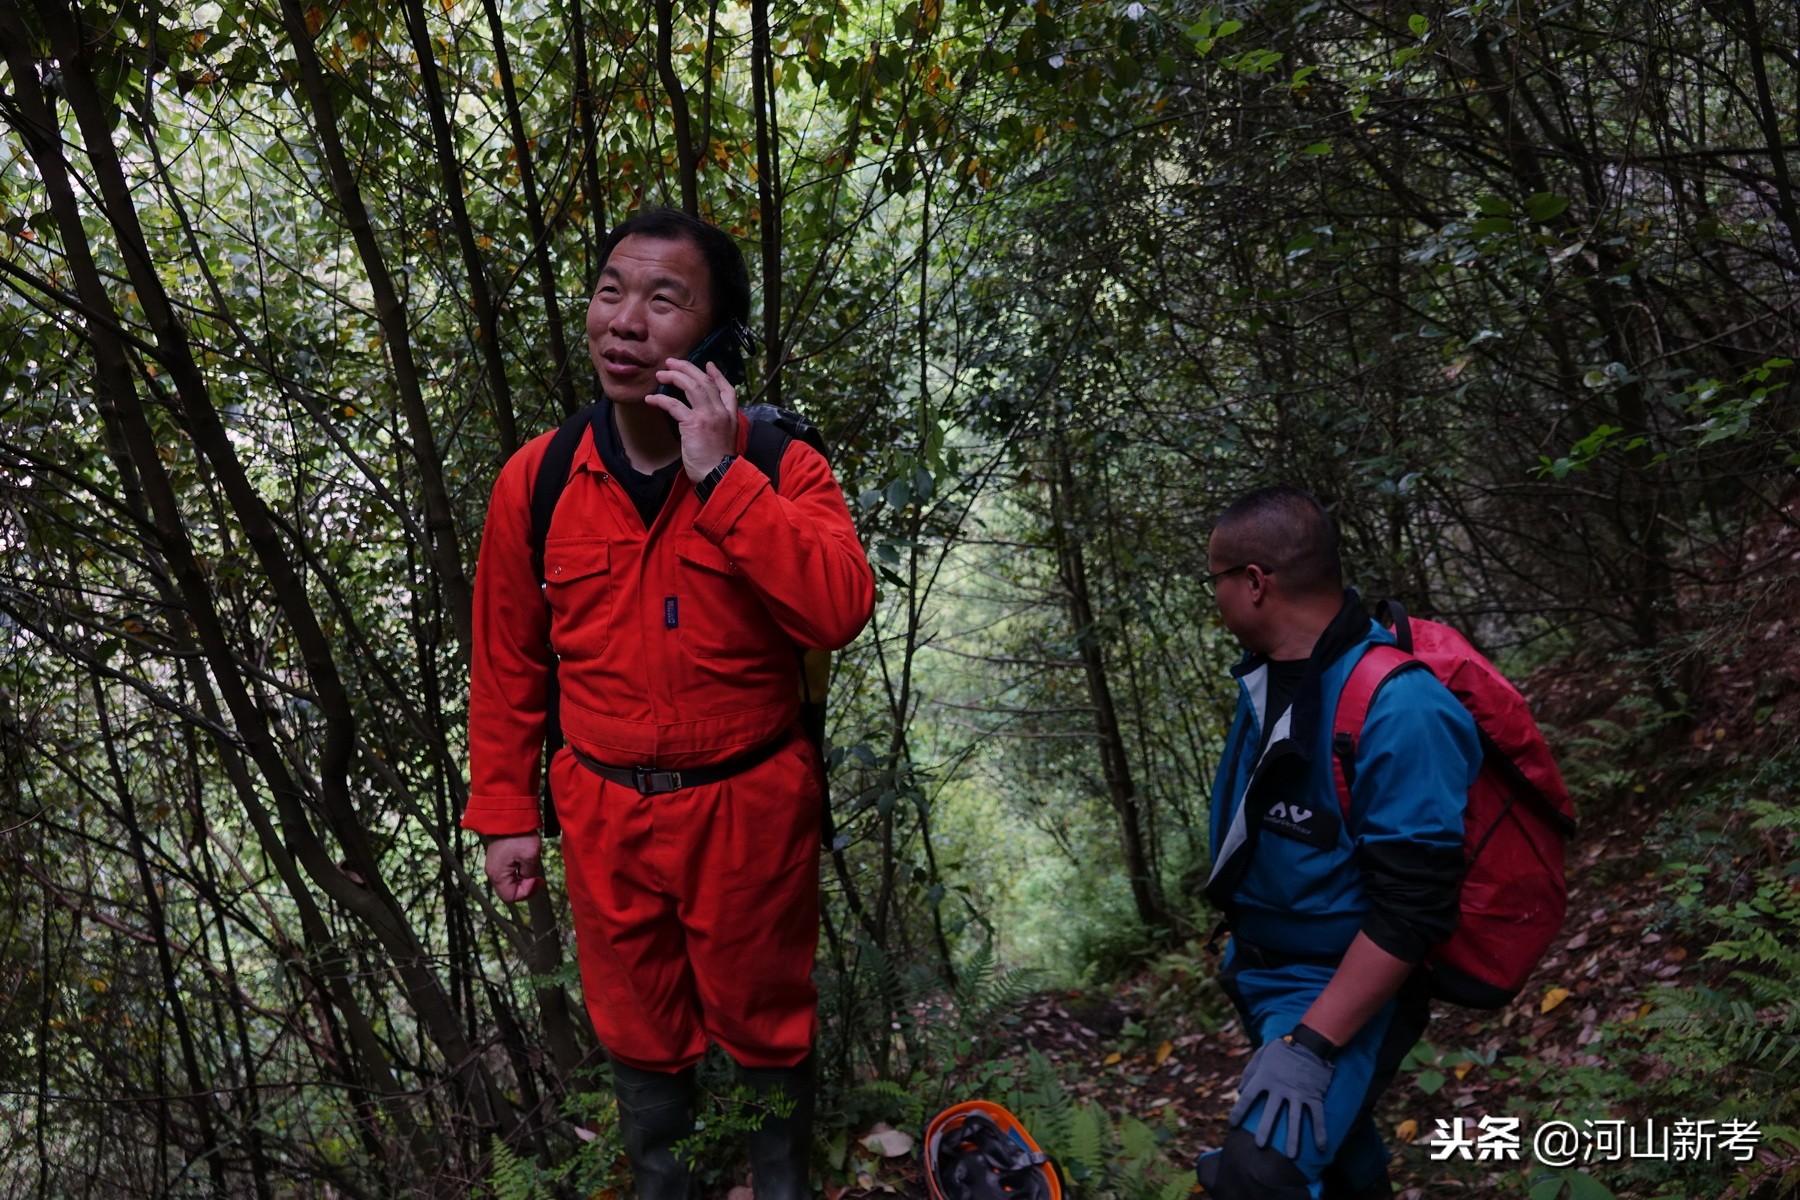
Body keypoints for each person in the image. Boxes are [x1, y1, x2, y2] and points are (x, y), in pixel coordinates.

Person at [462, 208, 876, 1200]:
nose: (625, 321)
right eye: (611, 291)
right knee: (636, 1027)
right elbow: (507, 660)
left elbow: (836, 609)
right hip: (603, 809)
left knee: (767, 1016)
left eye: (662, 299)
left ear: (718, 337)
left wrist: (722, 475)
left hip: (749, 805)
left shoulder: (783, 467)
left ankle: (781, 1182)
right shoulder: (540, 479)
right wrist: (506, 814)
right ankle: (667, 1185)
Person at [1194, 487, 1480, 1200]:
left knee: (1261, 1175)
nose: (1215, 598)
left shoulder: (1399, 706)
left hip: (1337, 984)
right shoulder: (1275, 681)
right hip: (1265, 971)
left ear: (1255, 582)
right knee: (1344, 1159)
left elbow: (1413, 908)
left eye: (1216, 580)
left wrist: (1311, 1045)